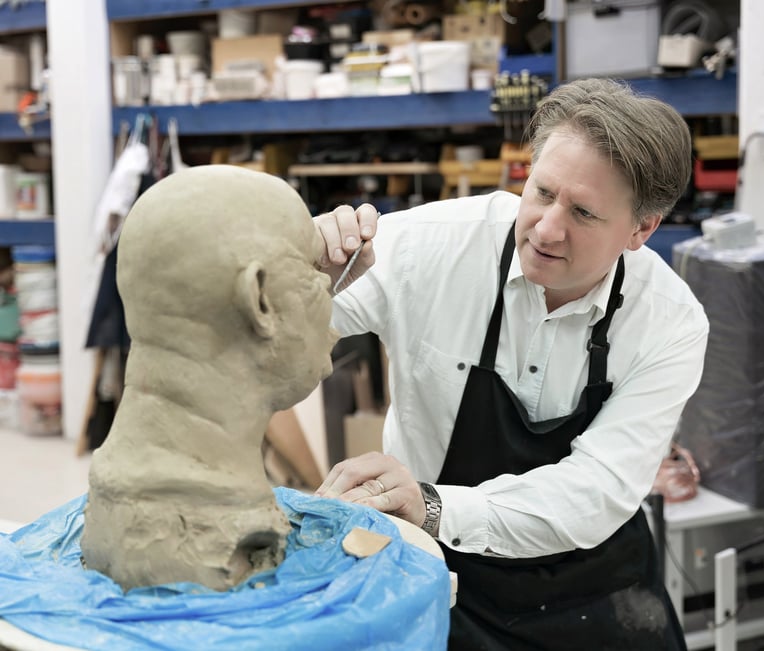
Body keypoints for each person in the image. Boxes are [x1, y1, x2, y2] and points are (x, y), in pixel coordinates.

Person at [313, 78, 709, 650]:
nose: (547, 228)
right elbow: (282, 325)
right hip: (439, 572)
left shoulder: (668, 322)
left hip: (593, 588)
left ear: (641, 229)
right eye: (542, 192)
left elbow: (594, 490)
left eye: (583, 213)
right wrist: (308, 269)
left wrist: (431, 504)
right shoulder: (432, 248)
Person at [82, 165, 338, 591]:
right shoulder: (219, 527)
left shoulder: (121, 482)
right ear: (259, 301)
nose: (330, 287)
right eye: (314, 269)